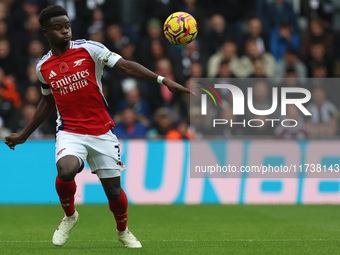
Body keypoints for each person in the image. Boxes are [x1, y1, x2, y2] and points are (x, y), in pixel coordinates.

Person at [4, 5, 192, 249]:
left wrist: (163, 80)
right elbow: (48, 100)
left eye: (67, 25)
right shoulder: (43, 67)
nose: (65, 31)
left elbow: (124, 65)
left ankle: (123, 231)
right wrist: (24, 135)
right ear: (45, 32)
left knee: (113, 192)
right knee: (66, 170)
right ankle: (70, 215)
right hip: (70, 130)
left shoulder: (89, 49)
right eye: (58, 28)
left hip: (102, 131)